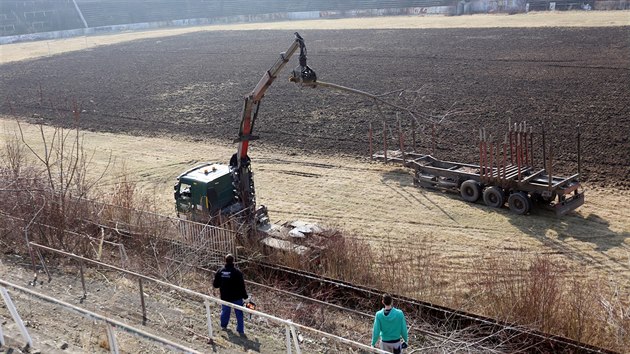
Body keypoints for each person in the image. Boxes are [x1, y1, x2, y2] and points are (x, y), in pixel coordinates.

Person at [213, 254, 248, 335]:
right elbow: (242, 286)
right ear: (233, 261)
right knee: (239, 313)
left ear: (225, 260)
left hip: (225, 297)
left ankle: (223, 326)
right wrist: (245, 296)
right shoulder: (237, 272)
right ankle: (240, 330)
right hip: (237, 297)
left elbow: (215, 285)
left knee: (225, 311)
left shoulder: (220, 271)